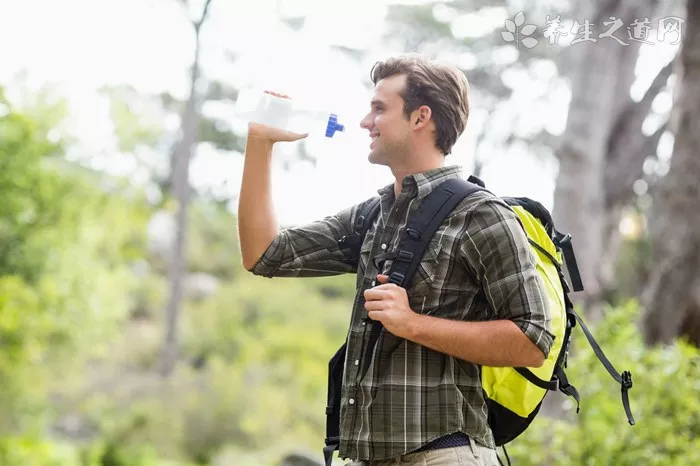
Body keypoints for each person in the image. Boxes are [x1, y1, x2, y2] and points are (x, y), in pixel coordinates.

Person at [237, 53, 553, 466]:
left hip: (445, 455)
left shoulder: (481, 214)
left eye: (379, 109)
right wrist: (260, 142)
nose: (366, 122)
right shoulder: (374, 214)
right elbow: (264, 254)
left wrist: (411, 323)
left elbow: (533, 340)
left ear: (420, 118)